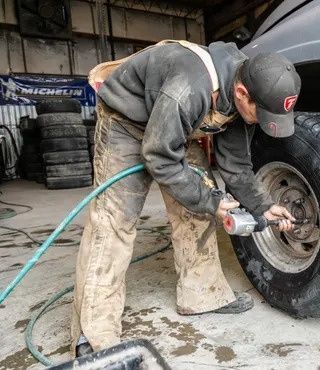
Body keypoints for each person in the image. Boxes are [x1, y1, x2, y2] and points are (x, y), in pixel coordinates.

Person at [71, 40, 302, 355]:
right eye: (259, 114)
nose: (261, 121)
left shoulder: (243, 95)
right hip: (127, 122)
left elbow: (235, 167)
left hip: (179, 127)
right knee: (114, 221)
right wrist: (211, 199)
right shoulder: (189, 87)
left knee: (199, 208)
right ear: (242, 94)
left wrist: (264, 206)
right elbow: (159, 156)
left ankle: (202, 294)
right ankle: (93, 333)